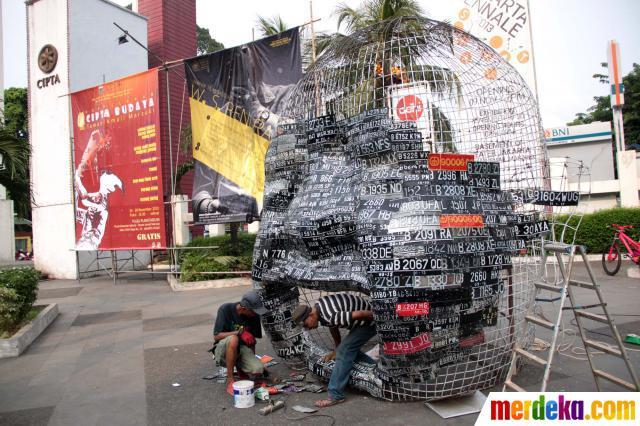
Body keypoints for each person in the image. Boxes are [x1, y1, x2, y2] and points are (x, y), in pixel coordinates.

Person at [292, 293, 376, 408]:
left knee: (345, 350)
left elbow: (360, 313)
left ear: (310, 314)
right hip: (362, 321)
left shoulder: (329, 315)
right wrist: (337, 349)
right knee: (346, 350)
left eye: (306, 324)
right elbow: (333, 326)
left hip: (369, 321)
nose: (308, 328)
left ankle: (335, 395)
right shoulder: (319, 307)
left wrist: (381, 316)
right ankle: (375, 368)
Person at [212, 290, 268, 395]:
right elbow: (216, 336)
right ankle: (230, 378)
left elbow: (252, 342)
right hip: (223, 349)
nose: (255, 314)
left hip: (241, 349)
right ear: (243, 308)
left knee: (257, 369)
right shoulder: (225, 309)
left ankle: (240, 368)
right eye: (253, 311)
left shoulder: (254, 316)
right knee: (234, 339)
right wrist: (239, 333)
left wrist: (250, 363)